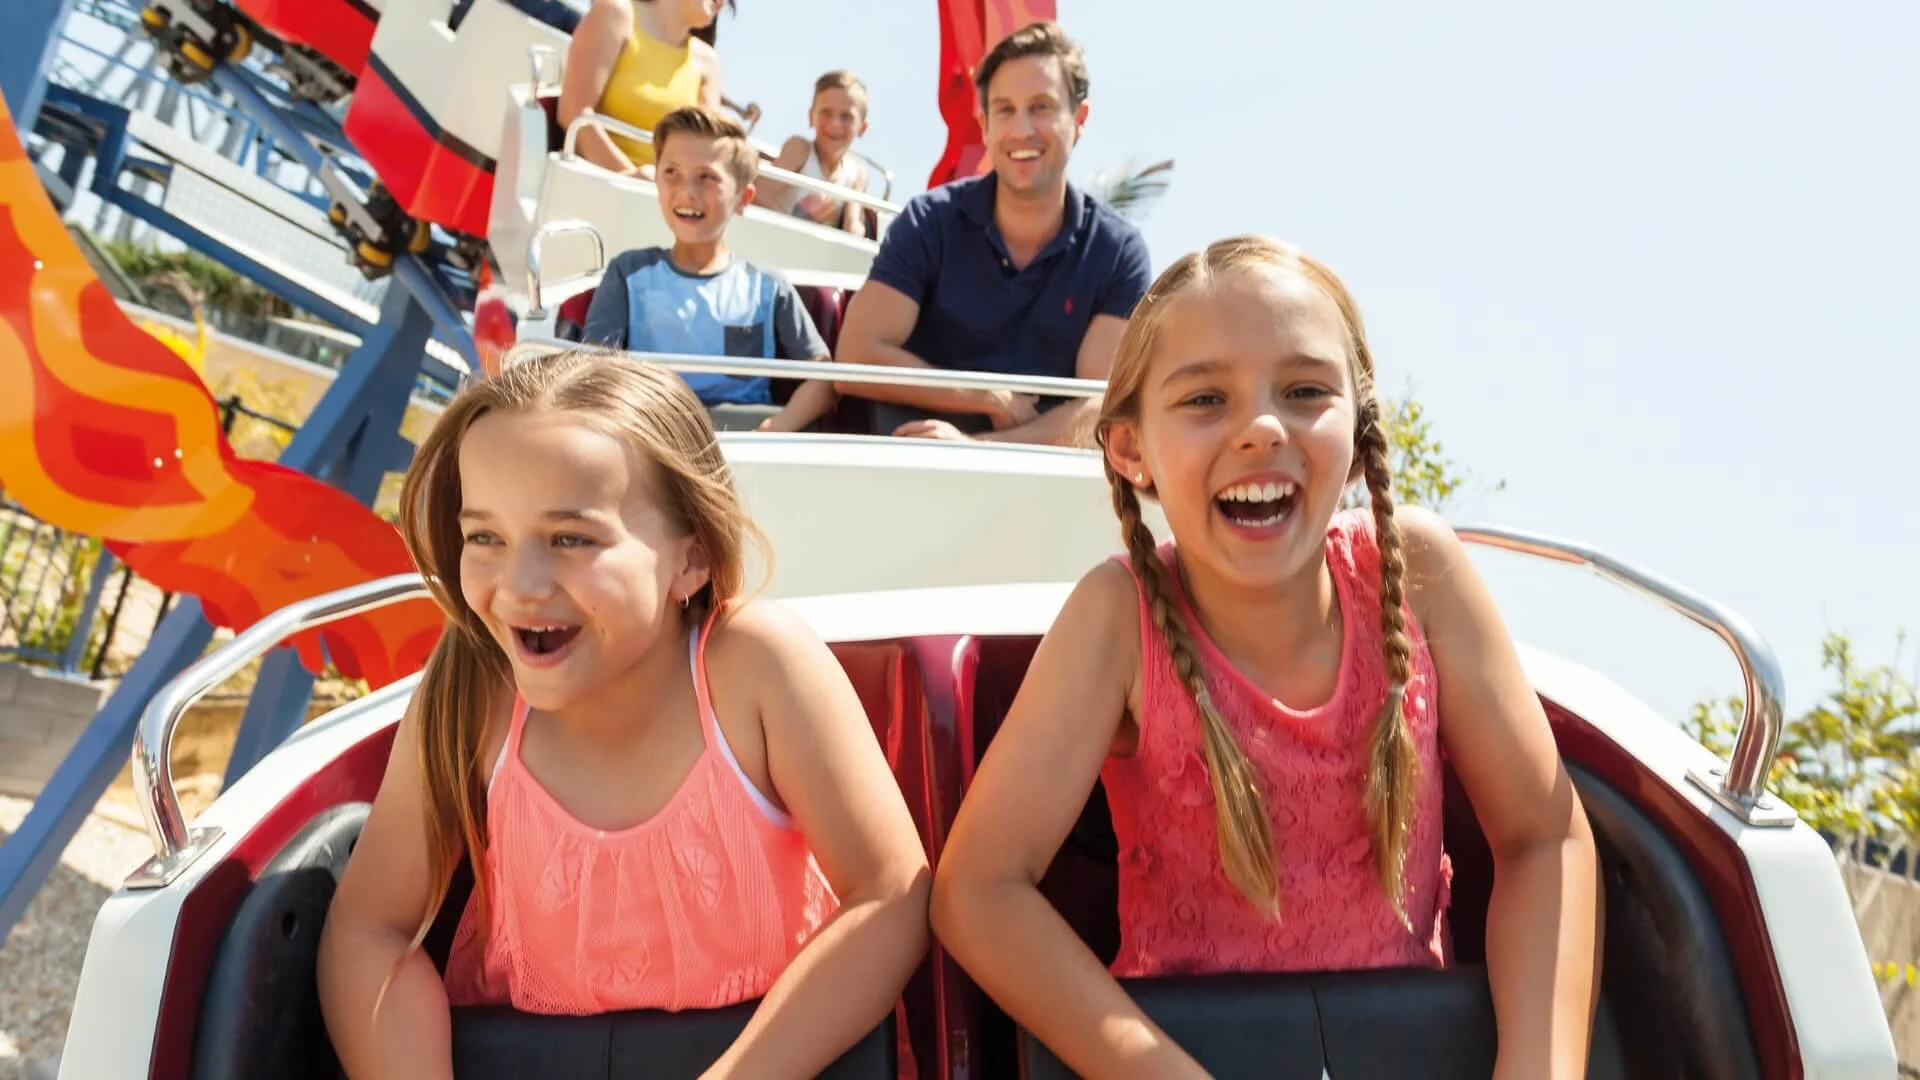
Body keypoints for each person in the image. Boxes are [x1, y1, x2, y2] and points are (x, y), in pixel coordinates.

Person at [928, 236, 1603, 1078]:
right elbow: (979, 890)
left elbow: (1544, 838)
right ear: (1131, 450)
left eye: (1304, 391)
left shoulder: (1419, 576)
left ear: (1357, 430)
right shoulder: (1117, 617)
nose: (1259, 430)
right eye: (1206, 398)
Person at [316, 350, 930, 1076]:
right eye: (485, 538)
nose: (520, 585)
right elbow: (368, 929)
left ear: (690, 561)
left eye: (571, 539)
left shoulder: (756, 668)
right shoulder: (470, 691)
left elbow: (890, 895)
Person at [834, 20, 1153, 445]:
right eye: (1005, 109)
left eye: (1041, 106)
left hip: (1047, 480)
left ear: (1079, 118)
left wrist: (979, 448)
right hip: (917, 462)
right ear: (984, 123)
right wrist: (986, 396)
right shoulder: (929, 221)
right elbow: (856, 354)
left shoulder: (1117, 250)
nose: (1022, 129)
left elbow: (1102, 403)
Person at [580, 106, 840, 433]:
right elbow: (594, 369)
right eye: (671, 172)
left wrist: (773, 429)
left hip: (745, 440)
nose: (687, 191)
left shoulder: (769, 286)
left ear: (743, 198)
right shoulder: (628, 272)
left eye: (707, 177)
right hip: (654, 434)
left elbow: (824, 379)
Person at [559, 0, 738, 177]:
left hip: (666, 199)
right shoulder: (615, 14)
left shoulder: (708, 62)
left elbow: (707, 153)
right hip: (595, 184)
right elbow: (574, 113)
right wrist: (630, 176)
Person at [755, 70, 877, 237]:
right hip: (772, 240)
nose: (835, 124)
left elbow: (853, 225)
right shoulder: (800, 150)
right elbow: (758, 195)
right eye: (826, 113)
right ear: (811, 116)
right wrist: (798, 222)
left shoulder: (857, 174)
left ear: (862, 128)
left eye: (846, 116)